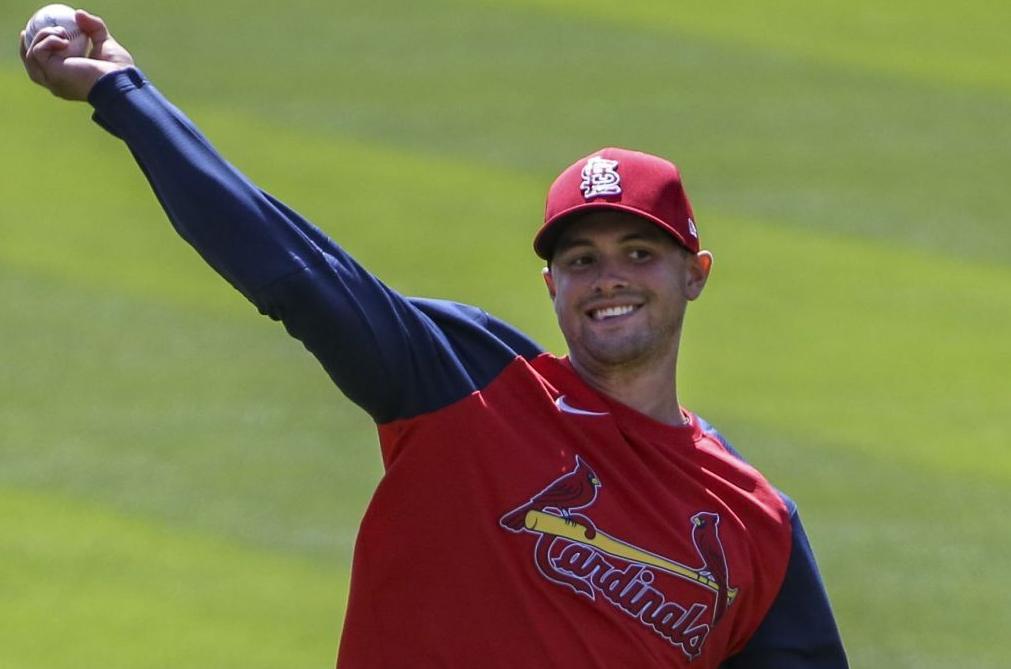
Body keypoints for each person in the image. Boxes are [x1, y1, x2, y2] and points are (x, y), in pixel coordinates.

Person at [21, 10, 848, 668]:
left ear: (694, 273)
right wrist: (126, 95)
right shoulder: (468, 384)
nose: (608, 279)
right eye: (580, 258)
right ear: (550, 284)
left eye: (640, 254)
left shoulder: (751, 518)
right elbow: (294, 269)